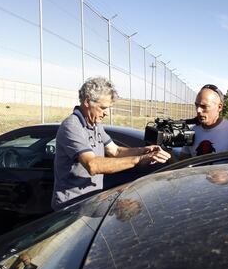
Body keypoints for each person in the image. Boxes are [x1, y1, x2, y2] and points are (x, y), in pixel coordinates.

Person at [52, 77, 170, 210]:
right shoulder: (72, 126)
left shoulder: (95, 124)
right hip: (70, 208)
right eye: (103, 108)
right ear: (87, 102)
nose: (106, 113)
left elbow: (115, 151)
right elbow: (93, 165)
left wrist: (144, 150)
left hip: (91, 202)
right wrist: (138, 160)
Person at [180, 84, 228, 159]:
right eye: (197, 105)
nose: (198, 110)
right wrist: (169, 154)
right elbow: (182, 164)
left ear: (219, 107)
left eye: (204, 106)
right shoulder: (192, 131)